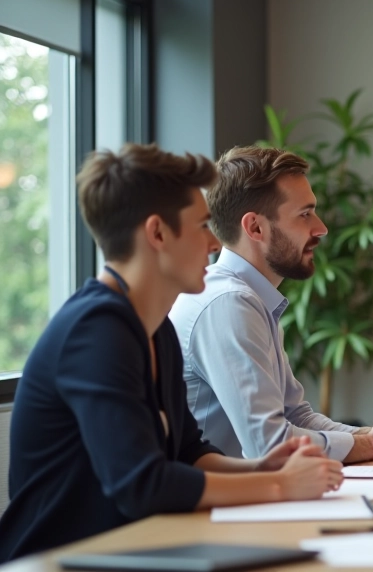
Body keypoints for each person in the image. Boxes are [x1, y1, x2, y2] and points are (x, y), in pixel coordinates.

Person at [0, 144, 342, 563]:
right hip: (62, 559)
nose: (215, 243)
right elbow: (143, 485)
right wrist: (280, 487)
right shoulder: (95, 331)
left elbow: (189, 455)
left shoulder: (154, 325)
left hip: (131, 549)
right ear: (157, 233)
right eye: (201, 225)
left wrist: (267, 468)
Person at [169, 146, 373, 463]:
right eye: (305, 214)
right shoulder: (229, 303)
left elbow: (296, 416)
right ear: (256, 228)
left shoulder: (252, 298)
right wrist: (368, 446)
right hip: (214, 508)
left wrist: (369, 436)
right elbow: (269, 443)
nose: (321, 228)